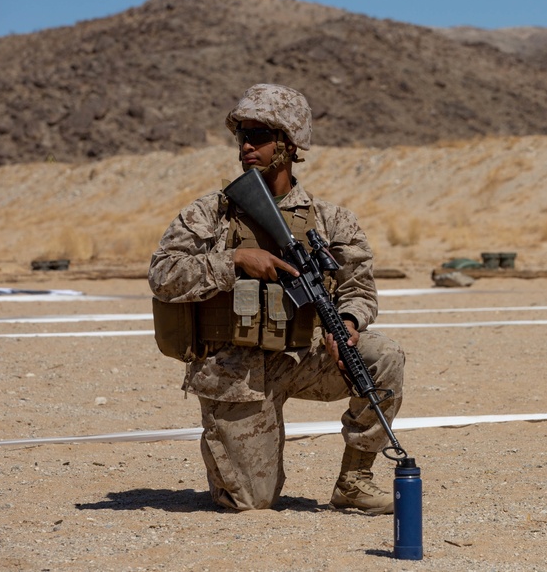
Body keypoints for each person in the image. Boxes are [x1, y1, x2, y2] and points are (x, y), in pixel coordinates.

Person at [149, 83, 404, 512]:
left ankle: (355, 481)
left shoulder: (331, 220)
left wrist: (348, 323)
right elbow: (162, 275)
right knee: (252, 502)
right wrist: (234, 260)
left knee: (384, 357)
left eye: (259, 136)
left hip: (303, 358)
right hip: (236, 373)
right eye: (242, 135)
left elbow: (360, 289)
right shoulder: (212, 213)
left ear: (289, 144)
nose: (246, 145)